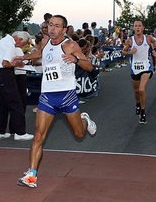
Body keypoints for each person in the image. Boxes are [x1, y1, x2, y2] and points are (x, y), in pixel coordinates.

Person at [13, 14, 97, 188]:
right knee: (38, 135)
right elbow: (40, 54)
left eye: (57, 26)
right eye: (50, 24)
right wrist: (23, 58)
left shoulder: (70, 45)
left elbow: (89, 66)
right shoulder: (45, 42)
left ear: (64, 30)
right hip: (47, 96)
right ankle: (32, 175)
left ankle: (84, 119)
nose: (52, 28)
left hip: (67, 95)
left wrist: (76, 59)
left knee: (79, 134)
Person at [0, 31, 34, 141]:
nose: (23, 46)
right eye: (24, 43)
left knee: (3, 104)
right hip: (6, 73)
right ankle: (20, 132)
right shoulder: (10, 44)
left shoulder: (3, 41)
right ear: (19, 39)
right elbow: (5, 63)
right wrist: (17, 64)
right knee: (15, 102)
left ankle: (0, 131)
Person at [122, 19, 156, 124]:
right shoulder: (130, 40)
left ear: (143, 28)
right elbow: (123, 52)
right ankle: (138, 103)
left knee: (142, 90)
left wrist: (154, 50)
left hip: (146, 67)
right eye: (135, 26)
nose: (137, 28)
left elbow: (154, 42)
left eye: (139, 26)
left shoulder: (148, 38)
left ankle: (143, 112)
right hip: (135, 68)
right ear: (133, 28)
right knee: (137, 90)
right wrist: (130, 52)